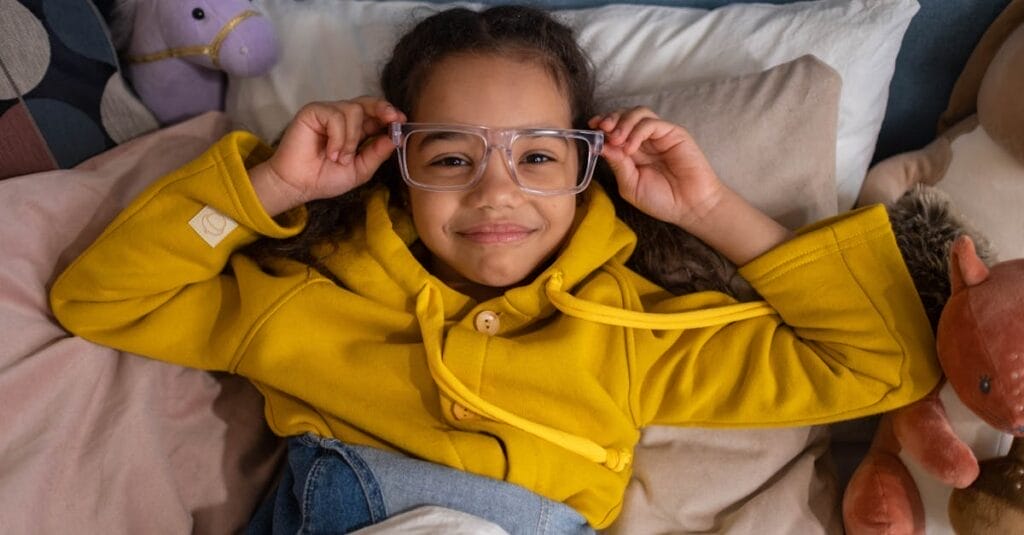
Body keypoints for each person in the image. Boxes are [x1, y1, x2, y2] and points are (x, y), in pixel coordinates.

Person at [49, 5, 941, 534]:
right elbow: (99, 297)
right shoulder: (304, 296)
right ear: (398, 165)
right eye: (451, 158)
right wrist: (275, 180)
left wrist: (711, 210)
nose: (495, 191)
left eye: (538, 158)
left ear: (587, 168)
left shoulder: (638, 332)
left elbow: (884, 360)